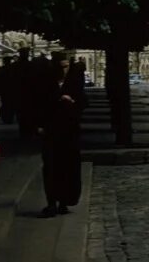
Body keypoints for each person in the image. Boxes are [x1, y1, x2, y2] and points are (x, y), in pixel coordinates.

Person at [36, 51, 84, 218]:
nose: (64, 70)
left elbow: (83, 101)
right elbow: (38, 104)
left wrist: (73, 102)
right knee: (51, 166)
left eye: (66, 67)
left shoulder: (73, 81)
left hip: (69, 131)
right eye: (61, 67)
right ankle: (51, 202)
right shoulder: (45, 82)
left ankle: (64, 201)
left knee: (68, 167)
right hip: (52, 130)